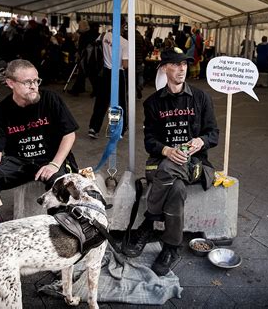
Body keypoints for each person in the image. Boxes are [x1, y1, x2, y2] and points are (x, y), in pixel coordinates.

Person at [123, 47, 219, 276]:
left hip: (195, 164)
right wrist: (166, 149)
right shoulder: (153, 103)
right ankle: (171, 247)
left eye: (184, 64)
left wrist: (200, 141)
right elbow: (149, 141)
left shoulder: (201, 98)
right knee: (175, 188)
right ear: (164, 68)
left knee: (169, 168)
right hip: (161, 162)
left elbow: (213, 134)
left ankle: (148, 223)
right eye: (175, 65)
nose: (181, 69)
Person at [0, 59, 79, 226]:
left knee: (61, 186)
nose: (34, 86)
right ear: (10, 83)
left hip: (51, 159)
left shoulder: (50, 100)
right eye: (27, 82)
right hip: (19, 162)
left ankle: (63, 226)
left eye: (36, 80)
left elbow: (69, 134)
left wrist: (54, 164)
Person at [87, 22, 129, 139]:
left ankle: (94, 128)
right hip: (118, 73)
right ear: (123, 26)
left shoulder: (104, 36)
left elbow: (96, 47)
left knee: (101, 101)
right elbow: (125, 65)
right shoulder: (125, 43)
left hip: (105, 73)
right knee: (120, 103)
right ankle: (118, 129)